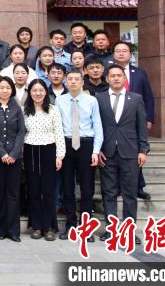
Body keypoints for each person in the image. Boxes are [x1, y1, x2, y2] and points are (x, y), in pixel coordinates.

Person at [97, 65, 150, 243]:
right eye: (112, 76)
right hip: (107, 153)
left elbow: (142, 126)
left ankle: (129, 231)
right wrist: (98, 149)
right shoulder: (99, 98)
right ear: (107, 79)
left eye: (119, 75)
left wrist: (143, 150)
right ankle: (111, 230)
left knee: (129, 193)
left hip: (130, 152)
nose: (116, 78)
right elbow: (97, 125)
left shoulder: (136, 99)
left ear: (124, 78)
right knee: (109, 193)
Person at [55, 70, 103, 241]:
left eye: (77, 79)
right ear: (66, 82)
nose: (73, 82)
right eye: (70, 79)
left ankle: (86, 228)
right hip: (67, 144)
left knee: (87, 189)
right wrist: (59, 152)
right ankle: (70, 225)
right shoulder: (60, 100)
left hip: (86, 144)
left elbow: (98, 126)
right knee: (67, 188)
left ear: (83, 82)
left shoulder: (91, 100)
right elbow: (57, 126)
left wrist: (96, 151)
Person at [108, 41, 155, 200]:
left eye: (125, 51)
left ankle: (138, 187)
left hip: (135, 119)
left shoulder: (139, 73)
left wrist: (149, 118)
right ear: (114, 54)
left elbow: (148, 96)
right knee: (117, 155)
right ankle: (119, 187)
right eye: (118, 51)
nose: (121, 53)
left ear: (130, 54)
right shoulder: (109, 72)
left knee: (136, 154)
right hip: (116, 120)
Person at [23, 79, 65, 241]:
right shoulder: (24, 110)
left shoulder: (53, 110)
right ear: (30, 93)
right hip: (30, 150)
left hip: (49, 150)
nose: (38, 93)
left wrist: (59, 156)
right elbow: (21, 134)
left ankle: (49, 227)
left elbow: (59, 132)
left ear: (46, 92)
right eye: (34, 90)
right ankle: (36, 226)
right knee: (33, 190)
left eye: (41, 90)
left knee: (48, 191)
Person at [0, 76, 24, 242]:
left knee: (13, 193)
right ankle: (0, 228)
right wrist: (2, 153)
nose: (5, 90)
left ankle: (13, 230)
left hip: (15, 158)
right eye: (1, 87)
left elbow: (21, 132)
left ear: (12, 90)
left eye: (8, 87)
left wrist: (13, 154)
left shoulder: (17, 109)